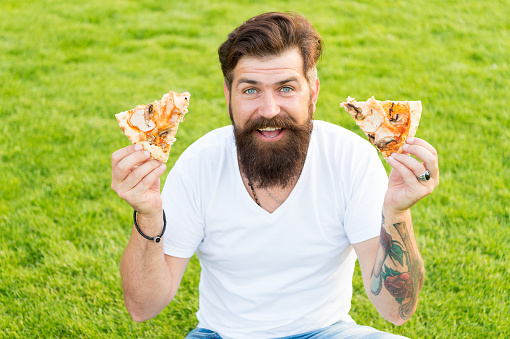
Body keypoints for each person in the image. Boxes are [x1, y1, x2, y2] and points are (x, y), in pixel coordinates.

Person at [111, 12, 439, 339]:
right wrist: (148, 213)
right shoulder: (200, 164)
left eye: (285, 88)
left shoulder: (349, 158)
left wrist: (397, 212)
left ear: (312, 92)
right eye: (250, 91)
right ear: (228, 96)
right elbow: (144, 307)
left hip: (327, 332)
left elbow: (396, 310)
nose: (268, 110)